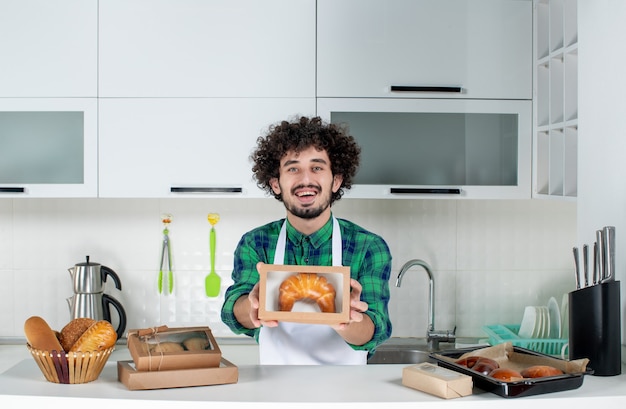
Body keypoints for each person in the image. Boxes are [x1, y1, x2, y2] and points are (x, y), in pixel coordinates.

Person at [221, 116, 392, 365]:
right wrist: (253, 304)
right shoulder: (256, 243)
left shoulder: (368, 247)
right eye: (292, 168)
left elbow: (375, 330)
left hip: (345, 396)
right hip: (275, 394)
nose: (305, 179)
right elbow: (231, 312)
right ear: (275, 183)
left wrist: (344, 318)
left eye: (317, 167)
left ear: (336, 181)